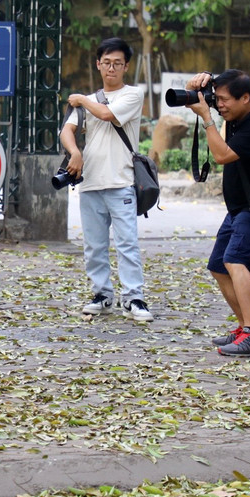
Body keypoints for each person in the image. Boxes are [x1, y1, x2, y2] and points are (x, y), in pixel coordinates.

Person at [184, 70, 250, 356]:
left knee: (235, 261)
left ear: (245, 98)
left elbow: (222, 156)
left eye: (225, 100)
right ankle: (245, 329)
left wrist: (206, 118)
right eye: (217, 100)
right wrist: (194, 88)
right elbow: (198, 97)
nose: (219, 105)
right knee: (218, 265)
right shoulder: (239, 115)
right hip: (240, 208)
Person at [60, 38, 151, 321]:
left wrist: (82, 99)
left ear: (126, 66)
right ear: (98, 65)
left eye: (118, 63)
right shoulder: (86, 100)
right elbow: (67, 131)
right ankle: (102, 294)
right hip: (90, 183)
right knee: (94, 246)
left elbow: (107, 114)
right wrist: (75, 152)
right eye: (107, 62)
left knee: (127, 243)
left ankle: (134, 298)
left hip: (121, 181)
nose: (112, 68)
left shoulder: (132, 96)